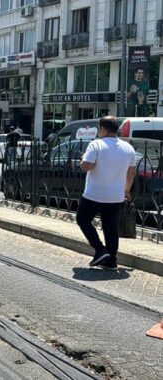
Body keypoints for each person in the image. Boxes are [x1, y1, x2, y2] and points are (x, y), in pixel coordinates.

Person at [77, 116, 136, 271]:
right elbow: (131, 173)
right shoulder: (128, 148)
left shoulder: (96, 144)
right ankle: (111, 260)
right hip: (115, 195)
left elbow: (86, 166)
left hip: (94, 194)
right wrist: (126, 190)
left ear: (103, 129)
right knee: (110, 227)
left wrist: (82, 160)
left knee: (82, 219)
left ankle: (99, 249)